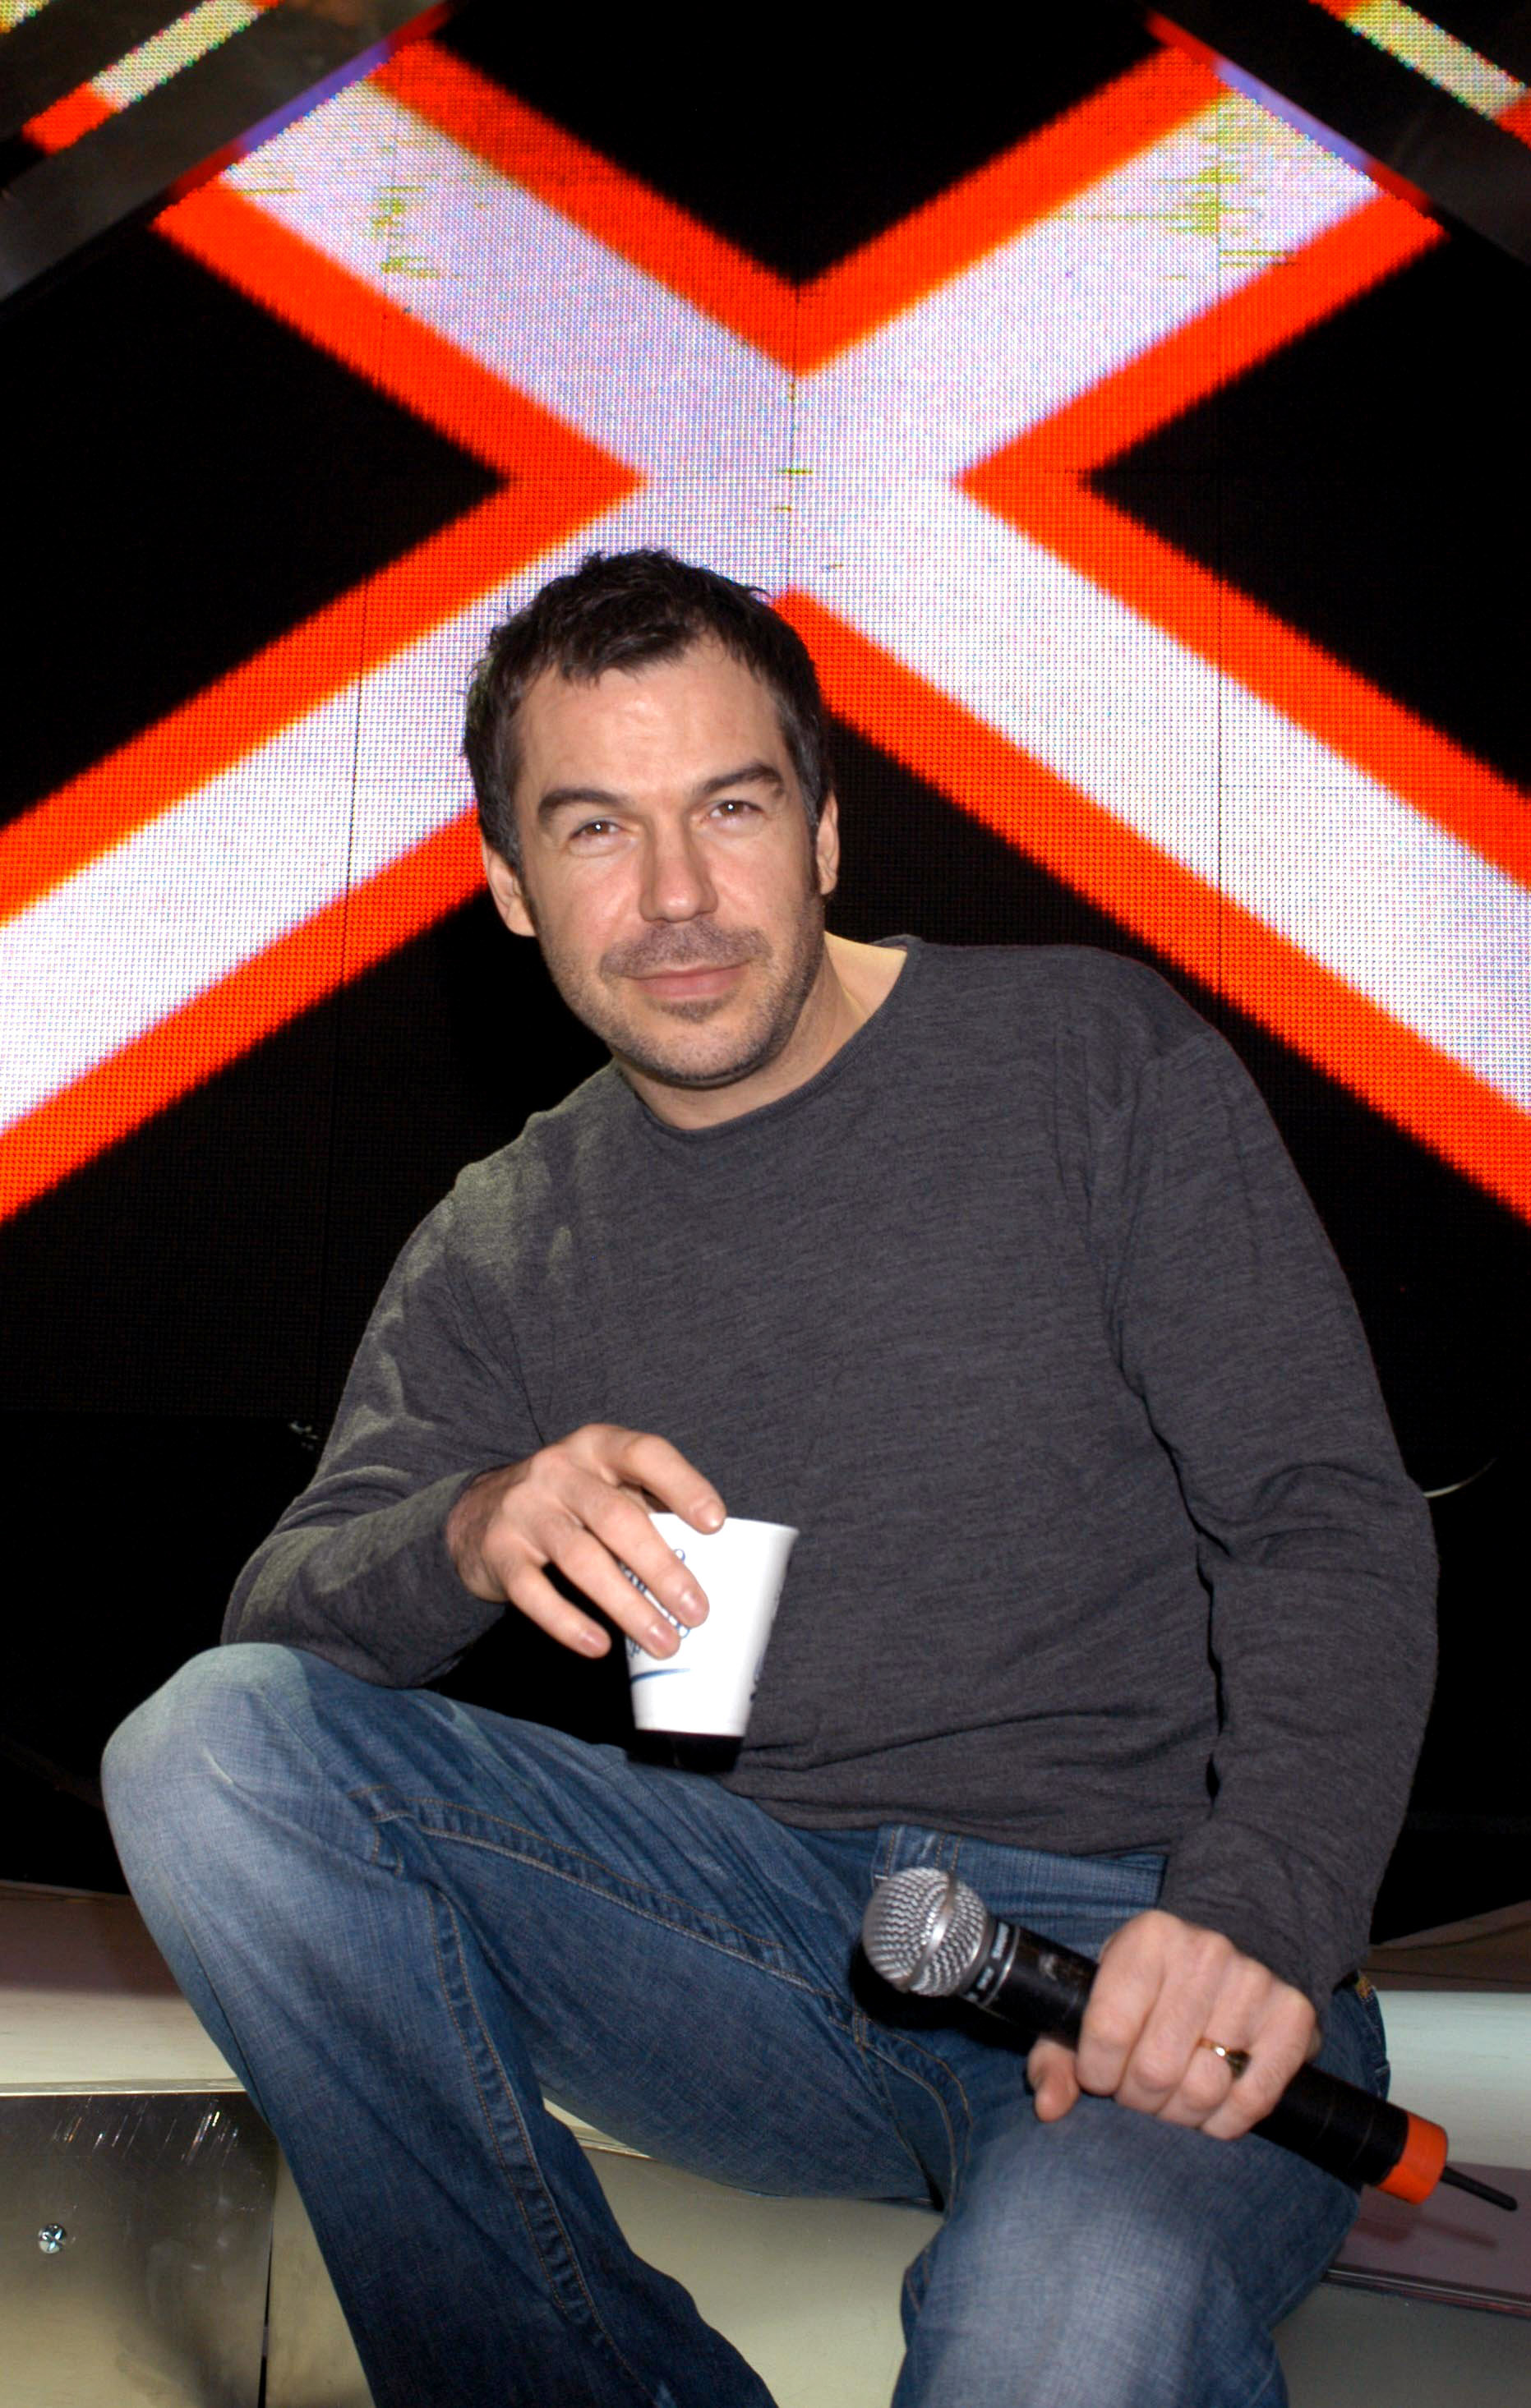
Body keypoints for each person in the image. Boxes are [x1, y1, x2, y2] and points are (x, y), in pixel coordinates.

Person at [104, 549, 1436, 2408]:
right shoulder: (506, 1231)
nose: (669, 897)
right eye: (591, 830)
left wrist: (1256, 1908)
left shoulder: (1085, 1060)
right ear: (506, 885)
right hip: (743, 1950)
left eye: (727, 807)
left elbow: (1322, 1517)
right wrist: (471, 1522)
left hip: (1130, 1949)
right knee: (203, 1746)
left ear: (821, 831)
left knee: (1053, 2343)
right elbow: (282, 1612)